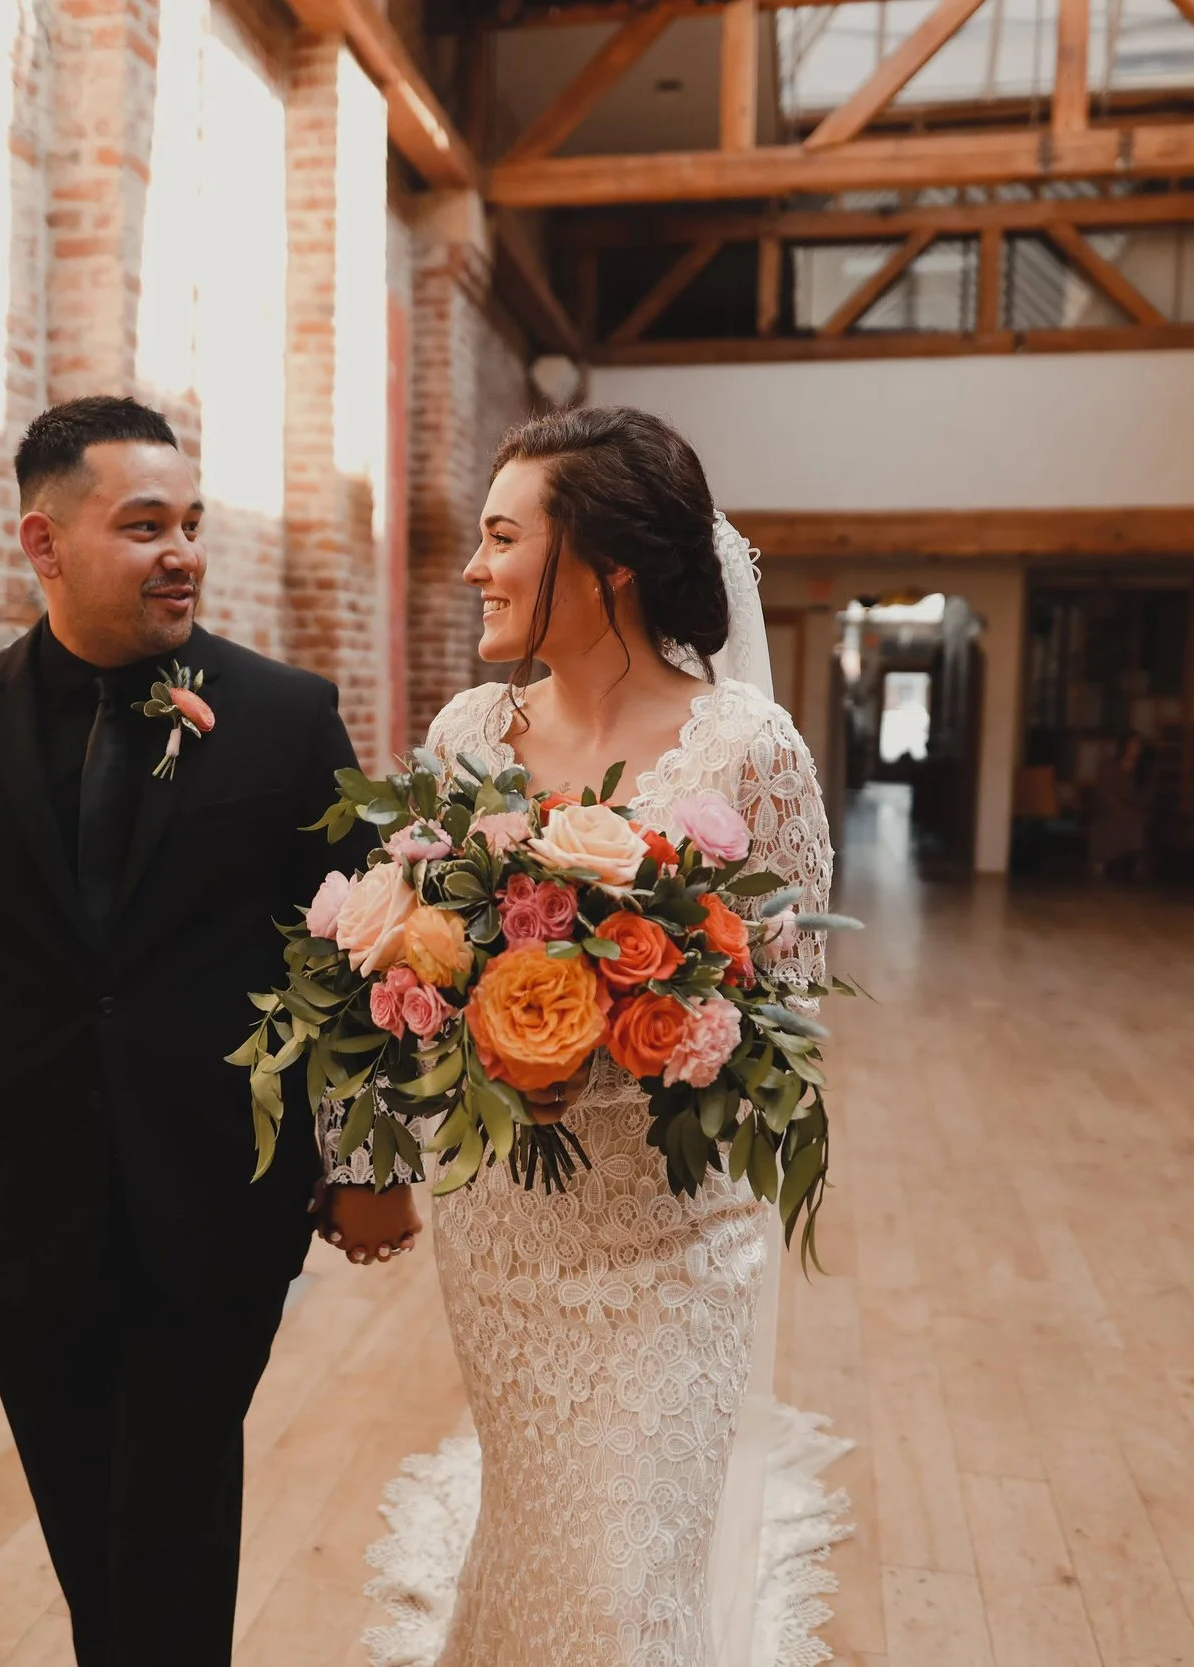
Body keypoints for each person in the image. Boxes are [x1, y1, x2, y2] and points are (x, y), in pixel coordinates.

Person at [0, 396, 360, 1667]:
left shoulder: (288, 717)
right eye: (143, 526)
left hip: (221, 1200)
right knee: (89, 1534)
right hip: (25, 1215)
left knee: (174, 1524)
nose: (181, 549)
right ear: (45, 541)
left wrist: (366, 1160)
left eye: (189, 523)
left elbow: (358, 953)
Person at [320, 406, 844, 1665]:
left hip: (673, 1232)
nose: (474, 567)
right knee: (545, 1535)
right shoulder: (465, 738)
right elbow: (412, 963)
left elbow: (786, 1008)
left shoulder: (746, 749)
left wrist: (651, 1019)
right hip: (507, 1225)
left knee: (619, 1592)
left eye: (503, 536)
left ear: (605, 560)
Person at [1089, 731, 1153, 880]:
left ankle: (1135, 861)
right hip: (1110, 807)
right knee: (1105, 822)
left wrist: (1134, 805)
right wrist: (1115, 805)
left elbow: (1147, 795)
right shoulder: (1108, 765)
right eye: (1131, 745)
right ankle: (1102, 860)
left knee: (1135, 820)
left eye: (1138, 746)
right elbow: (1104, 790)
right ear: (1123, 746)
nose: (1134, 749)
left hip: (1134, 807)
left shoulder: (1144, 771)